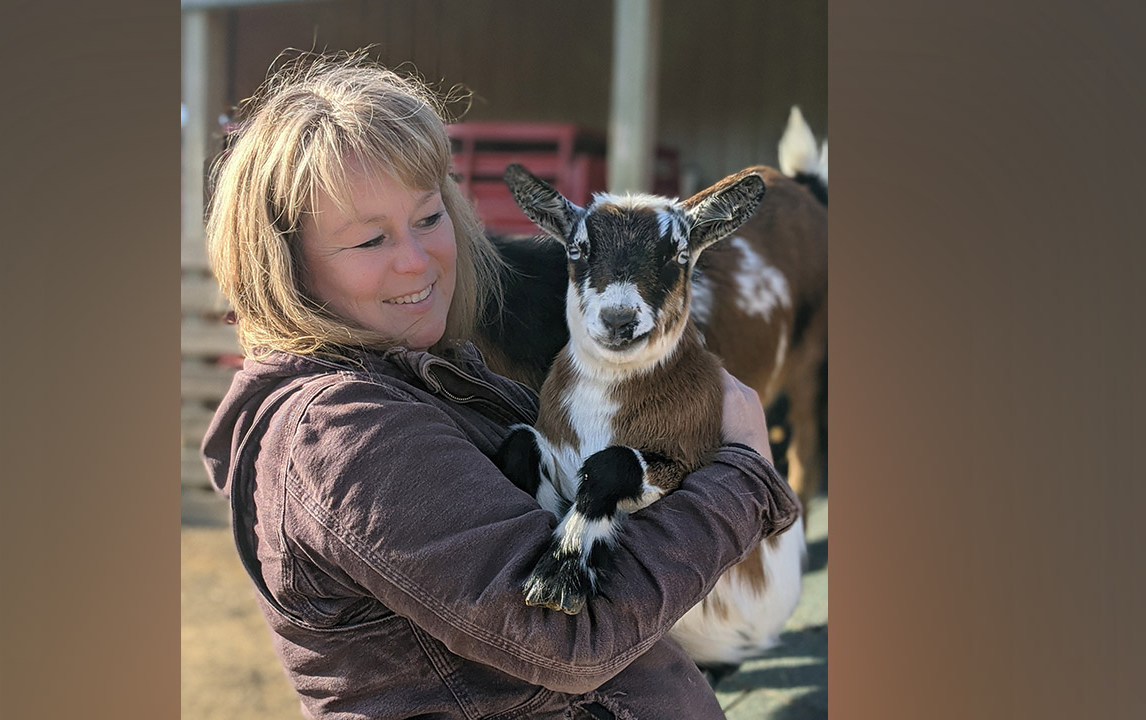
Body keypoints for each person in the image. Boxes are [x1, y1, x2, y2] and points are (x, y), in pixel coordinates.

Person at [201, 51, 801, 720]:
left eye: (428, 219)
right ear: (288, 265)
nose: (416, 260)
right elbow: (568, 638)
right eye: (370, 240)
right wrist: (743, 477)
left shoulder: (430, 377)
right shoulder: (345, 434)